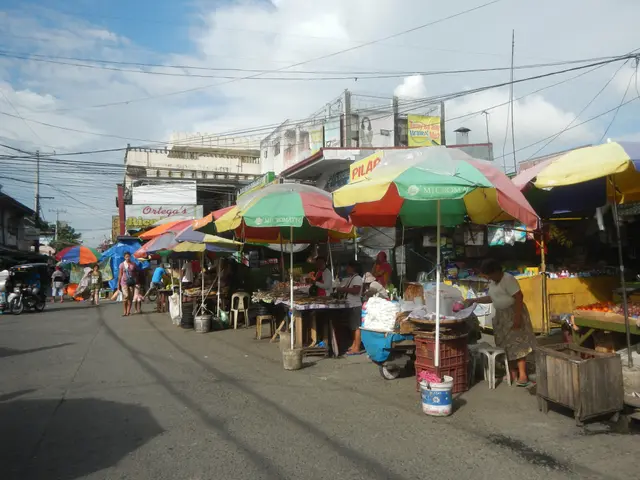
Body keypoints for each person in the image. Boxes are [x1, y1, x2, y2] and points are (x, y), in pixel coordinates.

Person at [463, 259, 536, 387]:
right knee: (505, 344)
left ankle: (523, 375)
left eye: (489, 274)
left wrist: (517, 318)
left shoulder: (508, 279)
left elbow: (519, 297)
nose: (488, 278)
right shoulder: (493, 282)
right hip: (501, 315)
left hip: (513, 312)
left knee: (518, 344)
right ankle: (512, 372)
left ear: (496, 271)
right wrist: (475, 300)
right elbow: (493, 298)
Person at [336, 261, 364, 355]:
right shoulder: (352, 278)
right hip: (351, 304)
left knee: (356, 327)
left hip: (355, 305)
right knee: (352, 327)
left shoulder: (357, 278)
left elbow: (356, 290)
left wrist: (343, 289)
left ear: (353, 268)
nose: (347, 269)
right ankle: (354, 344)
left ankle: (357, 347)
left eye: (348, 267)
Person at [117, 252, 137, 317]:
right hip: (124, 282)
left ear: (130, 256)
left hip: (131, 283)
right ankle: (124, 311)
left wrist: (136, 281)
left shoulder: (133, 264)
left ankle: (128, 311)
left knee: (130, 297)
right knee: (126, 296)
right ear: (124, 257)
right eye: (126, 257)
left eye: (128, 256)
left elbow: (135, 274)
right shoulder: (122, 265)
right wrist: (118, 284)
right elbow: (120, 275)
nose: (127, 258)